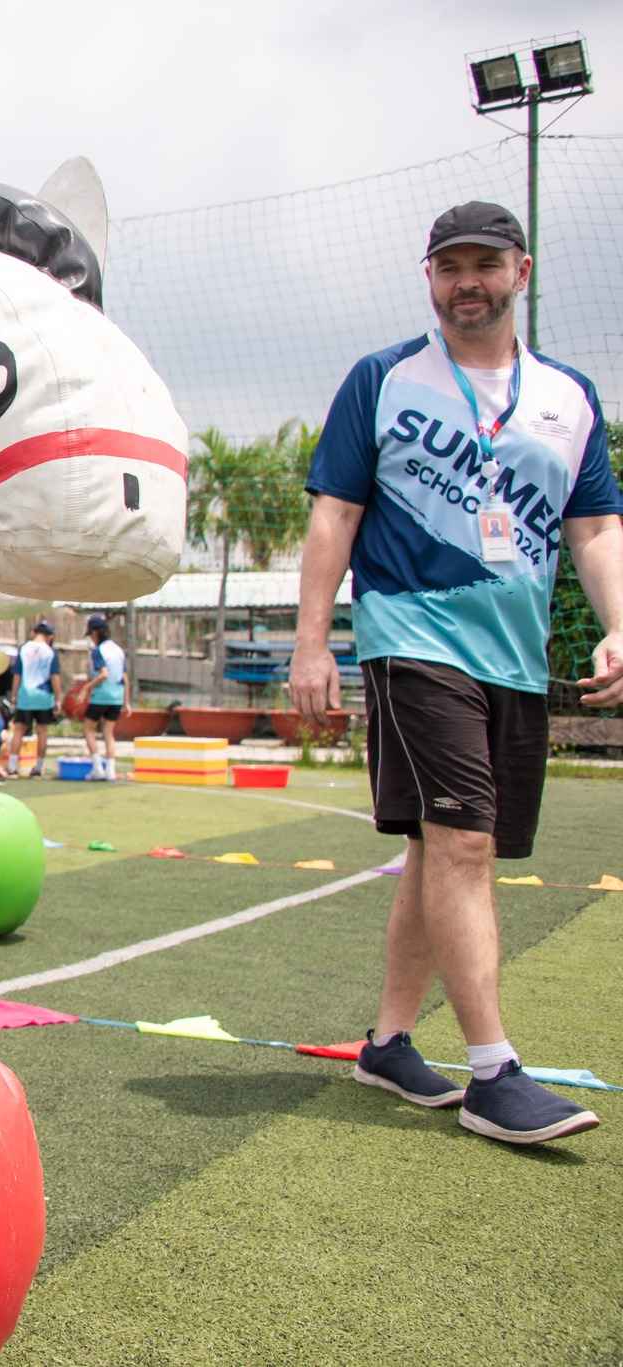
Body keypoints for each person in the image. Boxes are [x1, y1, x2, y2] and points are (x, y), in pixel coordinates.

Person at [293, 201, 622, 1146]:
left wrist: (619, 625)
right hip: (412, 637)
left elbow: (594, 527)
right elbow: (334, 515)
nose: (466, 282)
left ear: (522, 271)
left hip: (514, 655)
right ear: (428, 277)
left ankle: (388, 1043)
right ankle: (493, 1072)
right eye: (449, 267)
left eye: (484, 264)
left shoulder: (568, 398)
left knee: (438, 850)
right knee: (463, 842)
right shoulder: (383, 379)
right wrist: (313, 643)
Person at [8, 620, 59, 778]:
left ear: (33, 633)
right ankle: (38, 768)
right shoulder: (50, 652)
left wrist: (14, 695)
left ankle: (12, 767)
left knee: (19, 730)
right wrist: (58, 698)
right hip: (44, 696)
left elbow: (17, 675)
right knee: (42, 731)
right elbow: (55, 677)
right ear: (50, 636)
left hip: (25, 696)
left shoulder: (24, 649)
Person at [79, 613, 126, 780]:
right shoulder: (118, 650)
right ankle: (110, 771)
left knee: (88, 728)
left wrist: (86, 688)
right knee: (108, 732)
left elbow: (103, 674)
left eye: (91, 635)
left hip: (100, 696)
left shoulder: (98, 651)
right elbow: (125, 677)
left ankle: (97, 768)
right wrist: (126, 702)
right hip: (117, 697)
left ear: (94, 632)